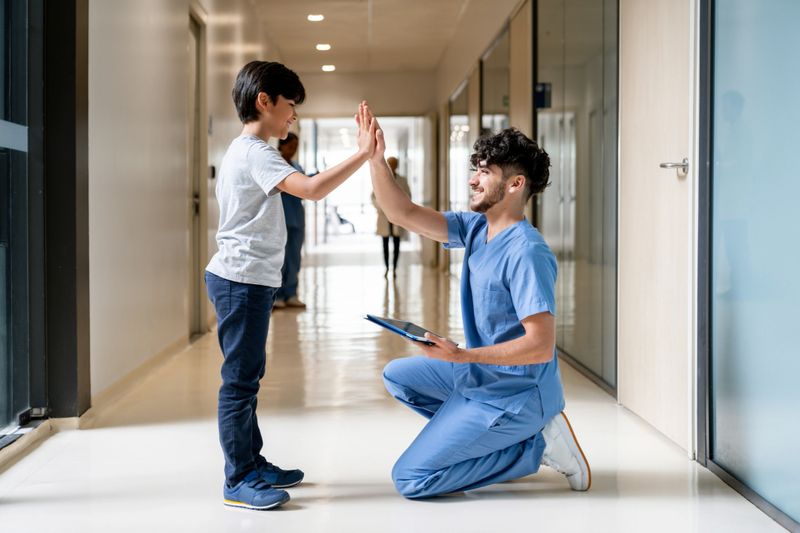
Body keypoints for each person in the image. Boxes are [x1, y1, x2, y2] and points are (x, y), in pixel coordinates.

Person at [368, 118, 591, 499]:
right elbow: (401, 213)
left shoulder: (527, 252)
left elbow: (541, 345)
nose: (473, 180)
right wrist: (373, 158)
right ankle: (484, 435)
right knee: (398, 375)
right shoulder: (475, 228)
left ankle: (533, 445)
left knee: (410, 479)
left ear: (515, 184)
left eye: (485, 173)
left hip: (517, 392)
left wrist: (463, 355)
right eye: (475, 170)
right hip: (479, 375)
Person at [205, 60, 377, 511]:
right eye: (290, 106)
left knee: (249, 378)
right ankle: (238, 478)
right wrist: (362, 154)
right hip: (239, 280)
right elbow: (313, 189)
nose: (293, 117)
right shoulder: (257, 152)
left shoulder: (248, 150)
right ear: (264, 101)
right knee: (239, 383)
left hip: (247, 280)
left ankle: (252, 462)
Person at [274, 132, 306, 309]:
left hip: (297, 220)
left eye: (296, 147)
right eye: (291, 146)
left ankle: (291, 294)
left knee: (294, 258)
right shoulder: (275, 164)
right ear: (282, 146)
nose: (293, 150)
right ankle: (278, 295)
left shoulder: (297, 167)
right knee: (281, 259)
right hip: (281, 220)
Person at [371, 156, 411, 278]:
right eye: (390, 164)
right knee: (385, 244)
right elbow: (373, 197)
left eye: (394, 164)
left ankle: (394, 269)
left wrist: (399, 207)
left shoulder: (402, 180)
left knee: (397, 244)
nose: (392, 166)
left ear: (396, 166)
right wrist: (381, 207)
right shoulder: (380, 178)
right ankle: (387, 267)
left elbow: (408, 196)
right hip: (384, 217)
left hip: (397, 217)